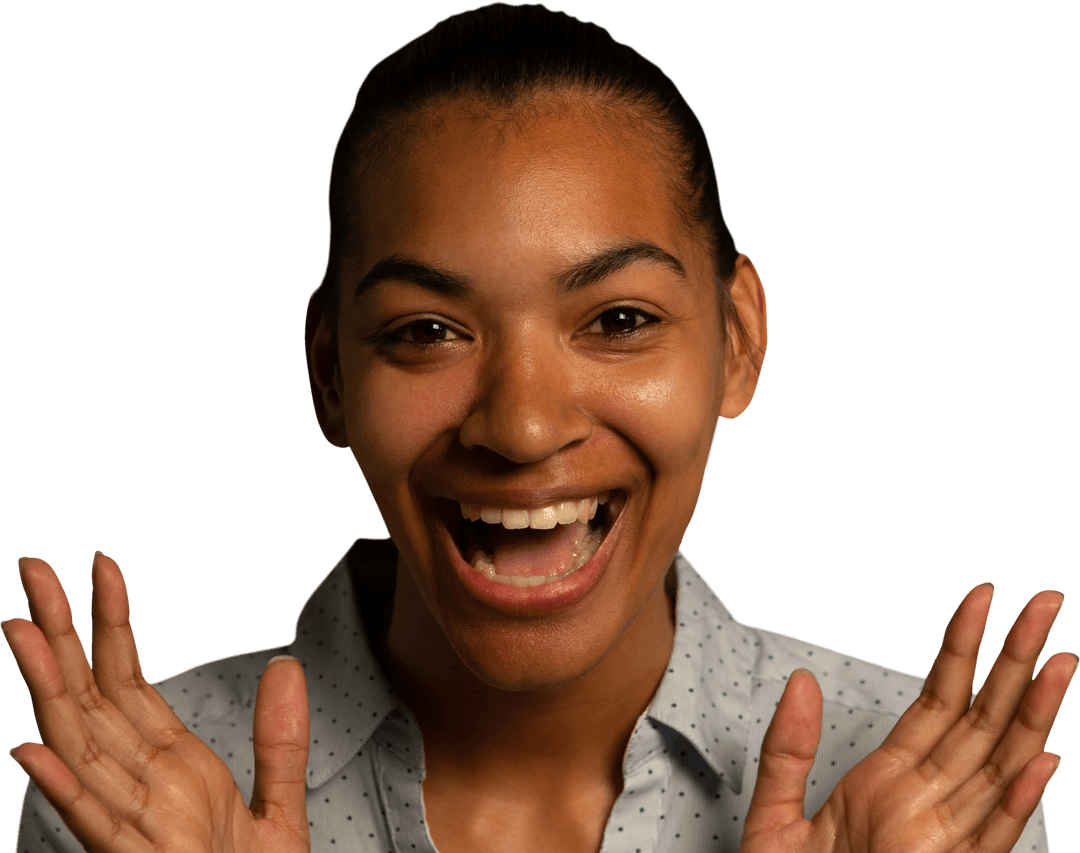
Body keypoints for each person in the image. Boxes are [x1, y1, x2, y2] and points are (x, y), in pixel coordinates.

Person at [5, 4, 1074, 852]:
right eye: (428, 330)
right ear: (329, 371)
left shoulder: (923, 799)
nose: (519, 427)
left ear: (737, 340)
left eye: (617, 320)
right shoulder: (136, 799)